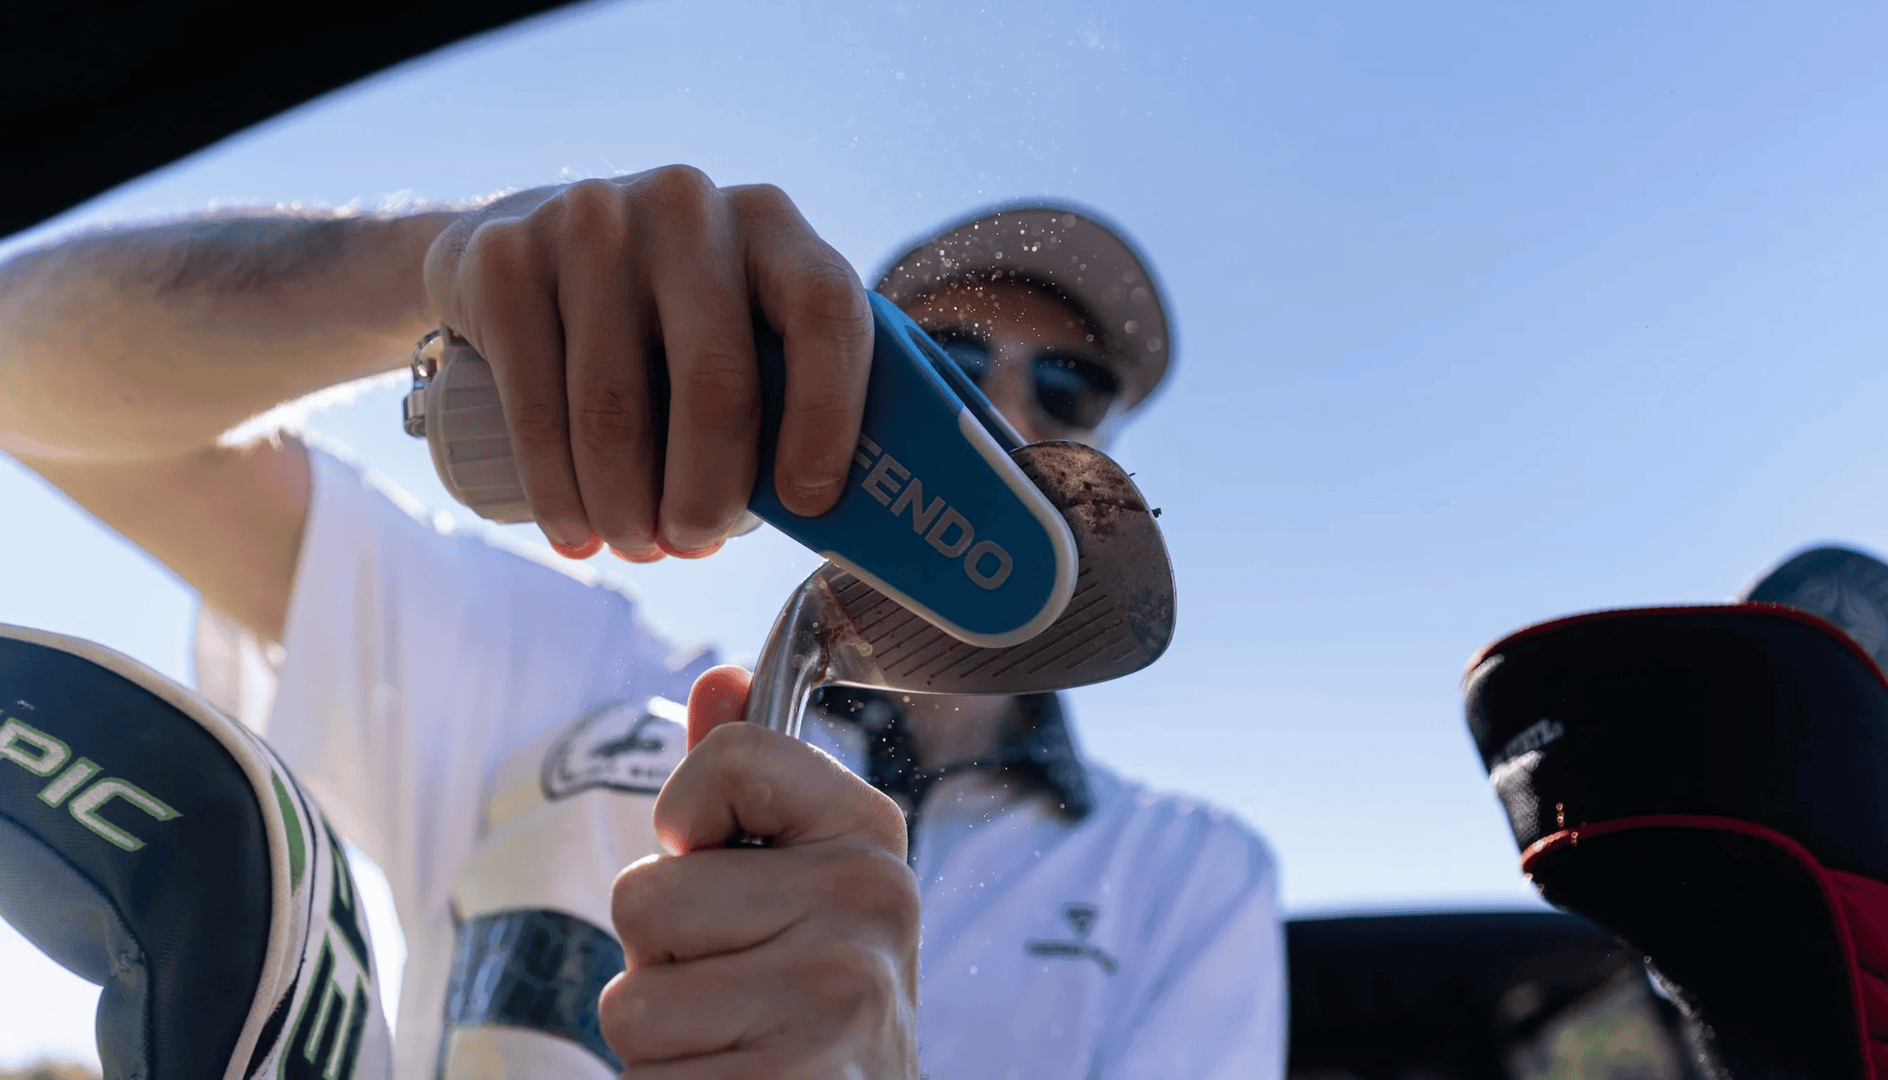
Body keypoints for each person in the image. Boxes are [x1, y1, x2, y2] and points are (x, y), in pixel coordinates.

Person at [0, 167, 1284, 1079]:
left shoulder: (1188, 872)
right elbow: (24, 367)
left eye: (1067, 377)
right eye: (943, 358)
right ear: (847, 373)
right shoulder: (568, 666)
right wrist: (451, 267)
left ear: (1109, 438)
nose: (1008, 394)